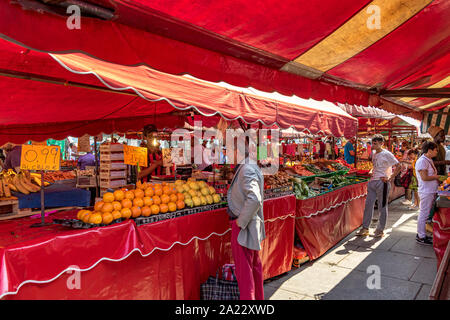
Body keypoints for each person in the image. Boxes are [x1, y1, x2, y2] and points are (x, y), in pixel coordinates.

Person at [227, 137, 265, 300]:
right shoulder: (248, 165)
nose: (227, 154)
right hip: (250, 224)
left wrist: (240, 222)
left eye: (229, 150)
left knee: (245, 272)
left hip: (244, 226)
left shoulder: (246, 169)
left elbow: (255, 198)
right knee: (254, 267)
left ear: (238, 151)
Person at [356, 134, 402, 238]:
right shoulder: (373, 153)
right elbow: (376, 166)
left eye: (376, 143)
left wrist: (390, 178)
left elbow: (399, 166)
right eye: (373, 143)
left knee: (382, 206)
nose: (373, 145)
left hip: (383, 182)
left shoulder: (387, 154)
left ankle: (380, 230)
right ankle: (365, 228)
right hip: (373, 181)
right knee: (368, 205)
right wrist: (372, 171)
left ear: (382, 143)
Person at [415, 141, 440, 245]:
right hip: (426, 191)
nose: (437, 152)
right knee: (424, 213)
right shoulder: (422, 161)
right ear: (429, 150)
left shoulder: (428, 159)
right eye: (435, 150)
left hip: (430, 190)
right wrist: (436, 177)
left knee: (425, 213)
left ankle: (422, 234)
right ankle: (421, 236)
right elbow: (424, 178)